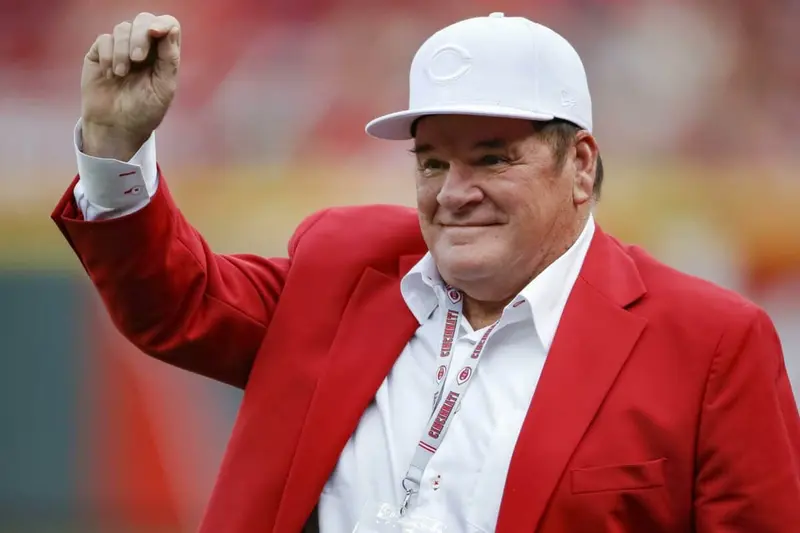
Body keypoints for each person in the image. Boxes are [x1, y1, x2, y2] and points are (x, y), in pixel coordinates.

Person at [51, 11, 800, 533]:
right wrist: (115, 147)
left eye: (492, 158)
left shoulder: (708, 343)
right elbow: (177, 303)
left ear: (580, 165)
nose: (453, 192)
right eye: (433, 161)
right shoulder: (347, 266)